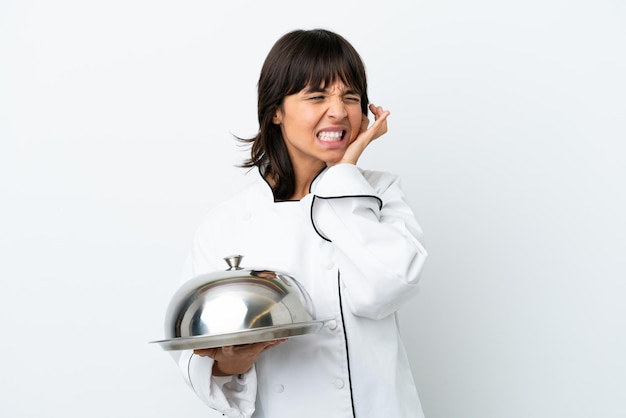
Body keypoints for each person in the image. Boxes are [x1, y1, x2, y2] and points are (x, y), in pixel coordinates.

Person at [170, 28, 428, 418]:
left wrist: (343, 175)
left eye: (351, 97)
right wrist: (234, 362)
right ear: (276, 110)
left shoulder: (378, 193)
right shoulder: (227, 223)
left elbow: (385, 289)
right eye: (318, 96)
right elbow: (201, 356)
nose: (339, 111)